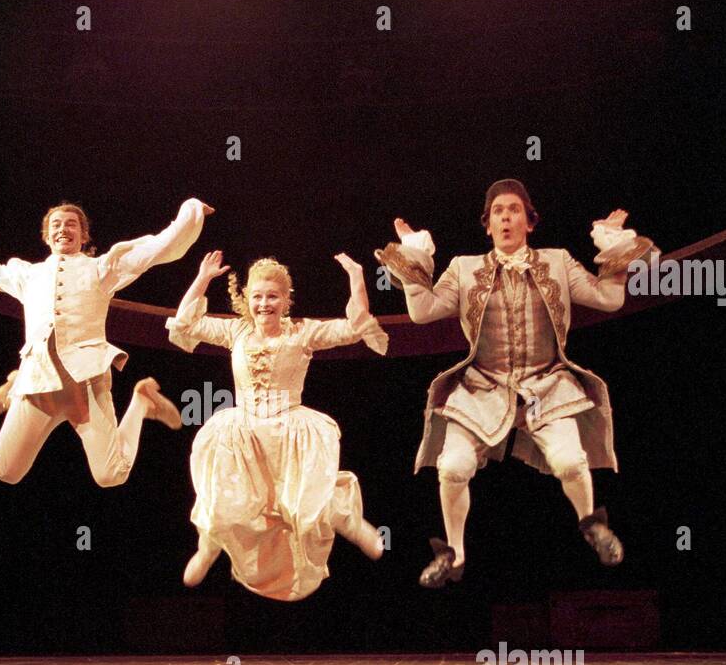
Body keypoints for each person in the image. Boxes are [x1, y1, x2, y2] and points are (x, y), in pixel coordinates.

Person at [376, 178, 652, 586]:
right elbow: (423, 312)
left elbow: (608, 299)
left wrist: (612, 246)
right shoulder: (464, 268)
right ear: (488, 225)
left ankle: (591, 524)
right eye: (498, 212)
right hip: (482, 387)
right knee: (452, 467)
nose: (506, 217)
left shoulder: (557, 262)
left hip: (545, 385)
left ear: (529, 221)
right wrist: (414, 258)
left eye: (514, 210)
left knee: (570, 461)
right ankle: (454, 555)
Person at [166, 249, 389, 601]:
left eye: (272, 296)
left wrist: (357, 277)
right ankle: (208, 548)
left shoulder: (301, 333)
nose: (264, 304)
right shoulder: (236, 331)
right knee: (225, 499)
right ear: (247, 299)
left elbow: (354, 327)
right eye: (257, 296)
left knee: (306, 506)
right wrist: (203, 278)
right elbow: (185, 323)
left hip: (290, 432)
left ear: (286, 300)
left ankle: (353, 525)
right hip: (243, 434)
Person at [0, 198, 213, 488]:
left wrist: (191, 211)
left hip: (86, 385)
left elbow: (155, 249)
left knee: (111, 475)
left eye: (71, 224)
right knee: (6, 470)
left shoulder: (101, 269)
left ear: (83, 235)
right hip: (39, 384)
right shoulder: (27, 274)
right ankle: (15, 386)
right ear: (47, 236)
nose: (63, 229)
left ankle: (142, 401)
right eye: (56, 224)